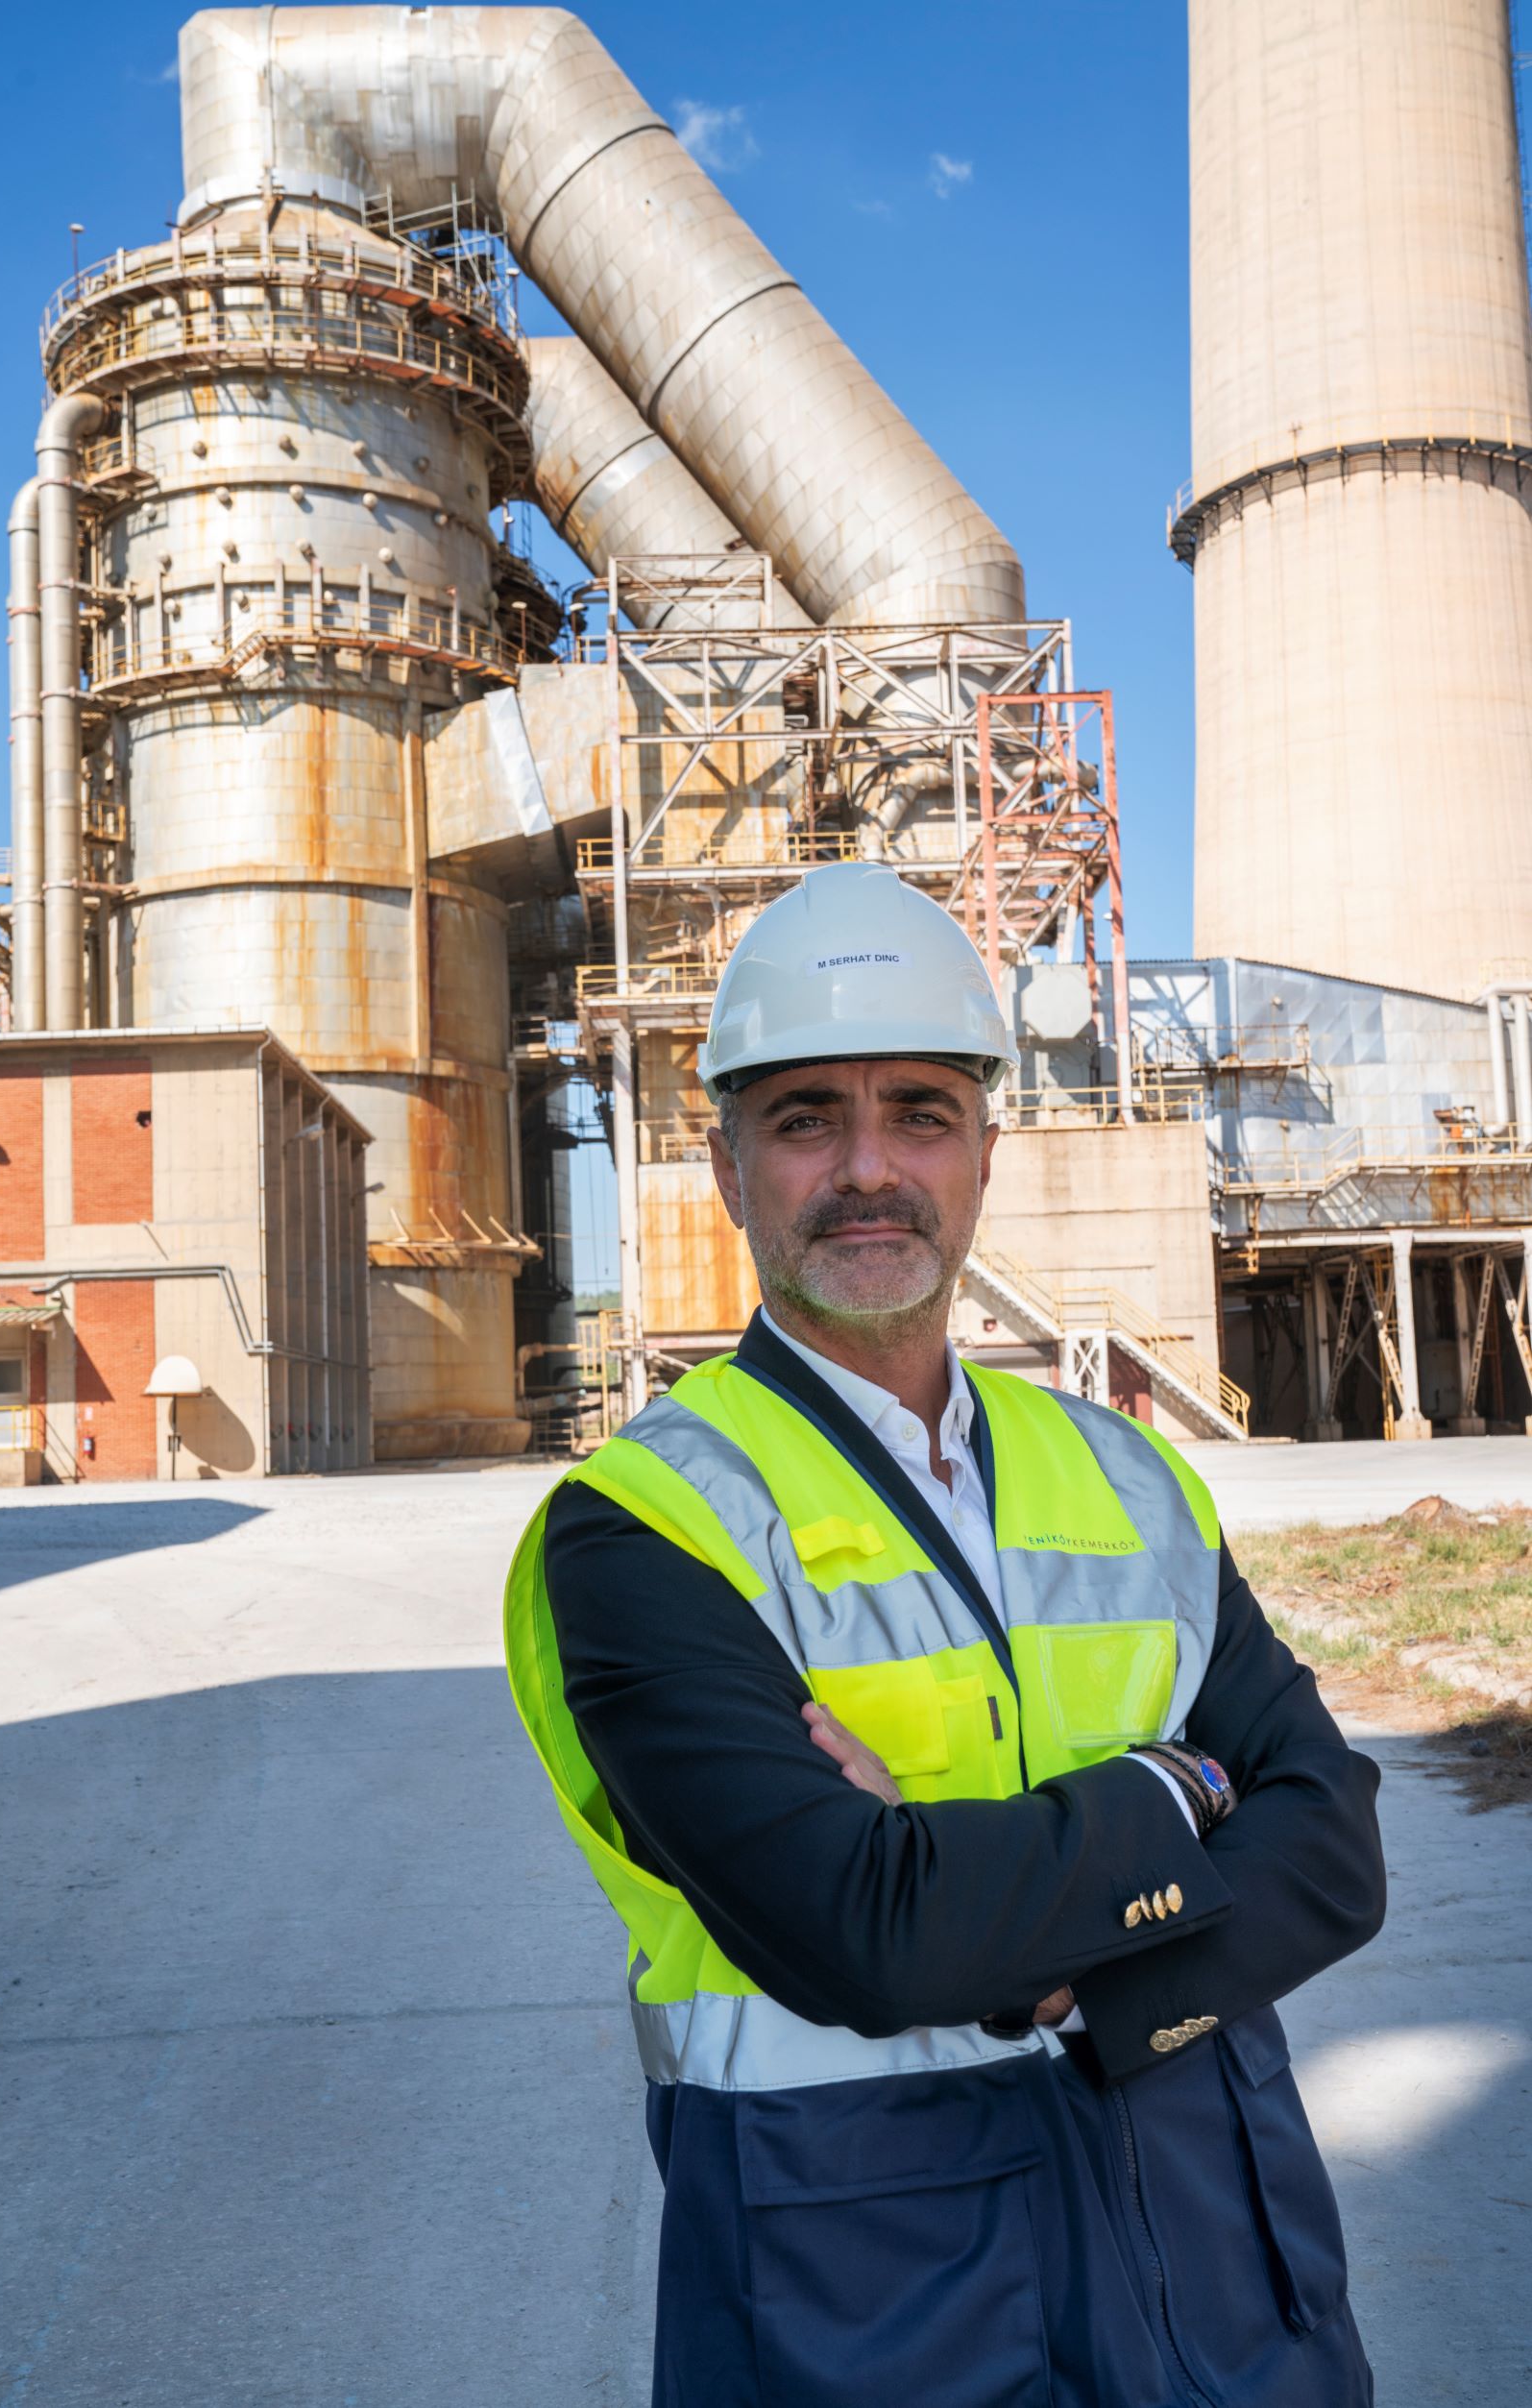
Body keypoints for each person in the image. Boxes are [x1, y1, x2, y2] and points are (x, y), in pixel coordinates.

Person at [505, 863, 1383, 2407]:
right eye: (805, 1120)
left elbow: (1332, 1848)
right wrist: (1180, 1789)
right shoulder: (645, 1528)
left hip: (1216, 2244)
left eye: (919, 1113)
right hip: (868, 2271)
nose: (868, 1169)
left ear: (985, 1151)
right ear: (726, 1167)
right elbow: (871, 1935)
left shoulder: (1129, 1479)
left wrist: (1063, 1978)